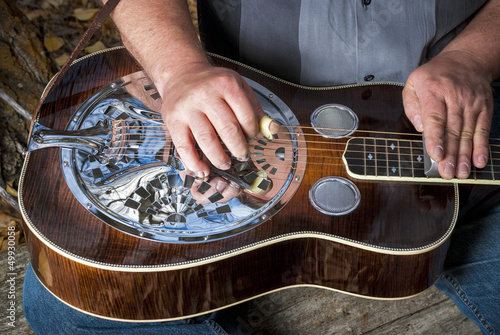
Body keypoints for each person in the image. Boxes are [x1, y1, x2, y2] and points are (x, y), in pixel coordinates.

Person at [23, 0, 500, 334]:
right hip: (243, 114)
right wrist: (179, 70)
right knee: (73, 306)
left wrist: (473, 56)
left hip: (465, 118)